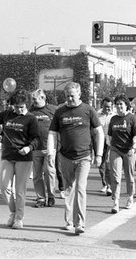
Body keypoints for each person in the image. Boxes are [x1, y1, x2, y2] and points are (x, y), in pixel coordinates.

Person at [0, 89, 39, 229]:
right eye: (16, 107)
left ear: (26, 105)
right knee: (4, 187)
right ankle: (13, 211)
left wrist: (28, 148)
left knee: (20, 190)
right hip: (8, 156)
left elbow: (36, 138)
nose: (19, 109)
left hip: (24, 158)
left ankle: (19, 218)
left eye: (21, 107)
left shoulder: (31, 119)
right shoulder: (8, 115)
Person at [47, 82, 104, 235]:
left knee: (80, 188)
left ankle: (80, 223)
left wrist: (99, 154)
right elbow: (52, 133)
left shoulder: (88, 110)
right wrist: (51, 153)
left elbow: (99, 132)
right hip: (65, 156)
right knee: (68, 189)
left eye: (72, 96)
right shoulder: (60, 112)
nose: (70, 99)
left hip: (84, 157)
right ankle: (69, 221)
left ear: (79, 94)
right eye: (67, 96)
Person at [108, 94, 136, 213]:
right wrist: (109, 145)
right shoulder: (113, 119)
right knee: (115, 176)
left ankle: (130, 197)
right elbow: (109, 135)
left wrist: (134, 146)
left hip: (129, 151)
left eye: (121, 104)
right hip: (115, 149)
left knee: (129, 176)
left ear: (126, 105)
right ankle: (115, 201)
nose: (119, 106)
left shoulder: (132, 118)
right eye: (117, 104)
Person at [29, 89, 58, 208]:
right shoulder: (30, 111)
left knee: (49, 172)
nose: (33, 102)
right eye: (32, 99)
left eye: (35, 99)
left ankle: (51, 196)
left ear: (43, 98)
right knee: (36, 175)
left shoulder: (53, 110)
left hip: (49, 148)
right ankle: (40, 198)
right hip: (35, 148)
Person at [97, 97, 114, 196]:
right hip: (100, 141)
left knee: (108, 163)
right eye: (105, 107)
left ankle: (109, 185)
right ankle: (104, 183)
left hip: (110, 141)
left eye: (109, 107)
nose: (107, 108)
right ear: (102, 106)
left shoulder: (114, 115)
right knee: (101, 163)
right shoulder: (97, 114)